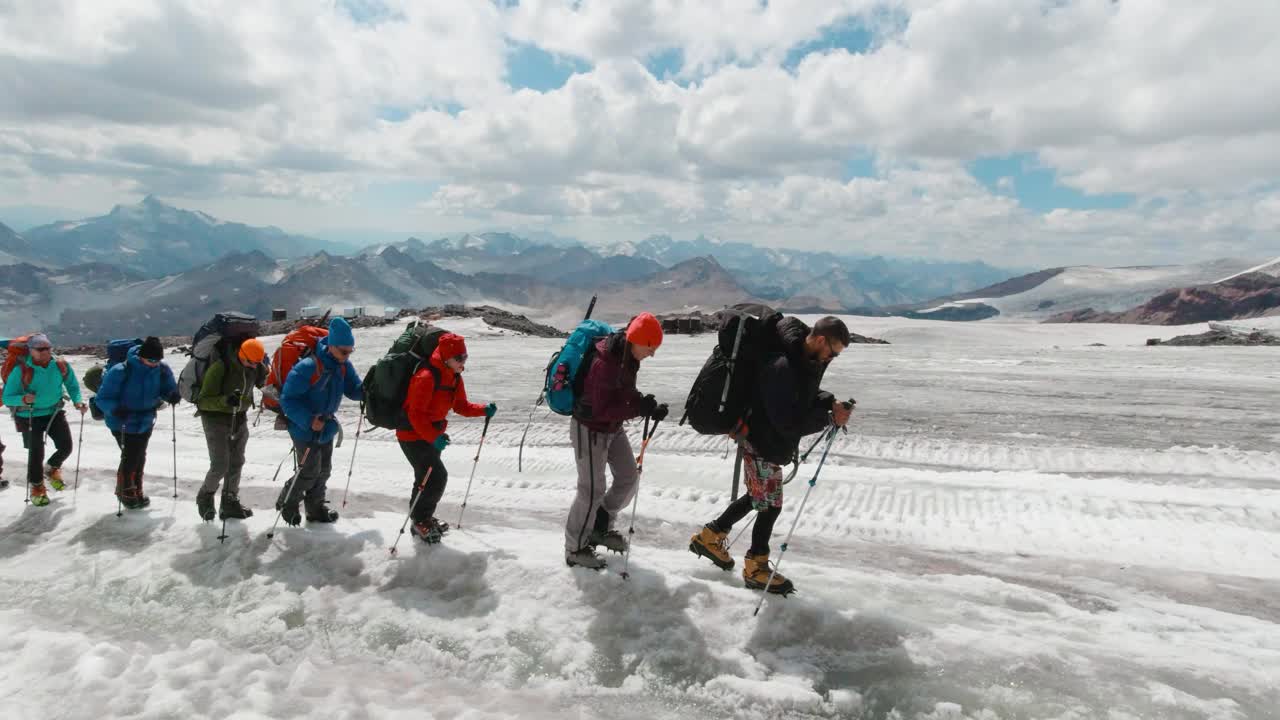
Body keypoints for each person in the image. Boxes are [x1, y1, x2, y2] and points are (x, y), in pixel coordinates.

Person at [688, 315, 853, 594]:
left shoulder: (805, 361)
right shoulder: (783, 367)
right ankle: (756, 567)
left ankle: (709, 537)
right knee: (769, 506)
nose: (832, 359)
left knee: (758, 497)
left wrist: (829, 402)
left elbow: (804, 395)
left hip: (767, 442)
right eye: (833, 352)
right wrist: (827, 418)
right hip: (760, 442)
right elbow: (786, 422)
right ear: (820, 340)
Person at [564, 312, 668, 570]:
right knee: (591, 490)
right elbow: (602, 409)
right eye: (650, 348)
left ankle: (599, 527)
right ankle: (575, 548)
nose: (652, 354)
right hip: (589, 428)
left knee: (628, 478)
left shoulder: (628, 356)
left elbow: (623, 393)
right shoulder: (605, 362)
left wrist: (645, 404)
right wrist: (638, 408)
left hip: (612, 427)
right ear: (637, 340)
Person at [396, 333, 495, 544]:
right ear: (446, 357)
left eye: (465, 357)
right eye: (459, 358)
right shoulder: (426, 377)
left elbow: (460, 406)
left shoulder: (454, 376)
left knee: (425, 477)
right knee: (436, 477)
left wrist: (483, 410)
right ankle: (420, 521)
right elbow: (415, 415)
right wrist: (434, 437)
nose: (463, 362)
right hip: (412, 435)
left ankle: (421, 518)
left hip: (432, 435)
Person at [276, 317, 362, 526]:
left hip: (326, 426)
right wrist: (308, 420)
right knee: (308, 472)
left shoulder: (343, 365)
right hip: (303, 428)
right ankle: (287, 503)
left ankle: (315, 509)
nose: (347, 355)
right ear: (331, 346)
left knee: (323, 471)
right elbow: (288, 400)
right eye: (344, 351)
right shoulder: (308, 366)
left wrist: (370, 389)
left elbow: (354, 390)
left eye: (350, 351)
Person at [94, 336, 180, 509]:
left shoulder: (161, 369)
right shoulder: (120, 370)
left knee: (139, 455)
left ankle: (135, 489)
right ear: (141, 356)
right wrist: (115, 409)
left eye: (157, 360)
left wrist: (172, 395)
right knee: (131, 455)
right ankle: (125, 491)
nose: (154, 363)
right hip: (121, 420)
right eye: (151, 360)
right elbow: (102, 398)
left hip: (146, 419)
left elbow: (168, 388)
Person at [1, 334, 86, 506]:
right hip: (28, 416)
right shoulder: (21, 369)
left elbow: (72, 385)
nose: (45, 352)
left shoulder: (60, 365)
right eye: (40, 349)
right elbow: (7, 397)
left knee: (66, 447)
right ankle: (37, 487)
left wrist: (78, 401)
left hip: (54, 412)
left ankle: (52, 468)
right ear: (31, 351)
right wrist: (23, 399)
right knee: (36, 453)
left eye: (47, 348)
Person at [195, 337, 269, 521]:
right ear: (241, 354)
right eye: (250, 362)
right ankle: (205, 496)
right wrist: (225, 400)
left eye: (257, 363)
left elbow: (266, 383)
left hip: (239, 417)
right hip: (215, 418)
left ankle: (229, 501)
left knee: (236, 461)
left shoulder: (256, 366)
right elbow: (203, 401)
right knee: (220, 464)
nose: (254, 366)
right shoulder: (220, 367)